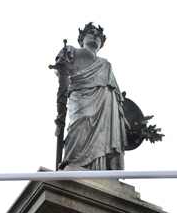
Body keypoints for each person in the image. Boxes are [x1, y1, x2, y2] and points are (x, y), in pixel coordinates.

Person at [54, 22, 129, 170]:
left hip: (105, 104)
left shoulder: (105, 64)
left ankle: (98, 167)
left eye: (98, 36)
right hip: (80, 96)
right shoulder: (71, 50)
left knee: (104, 133)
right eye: (91, 33)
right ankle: (73, 161)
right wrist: (61, 65)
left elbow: (114, 92)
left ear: (101, 44)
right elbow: (59, 71)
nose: (95, 36)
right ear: (82, 39)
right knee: (82, 121)